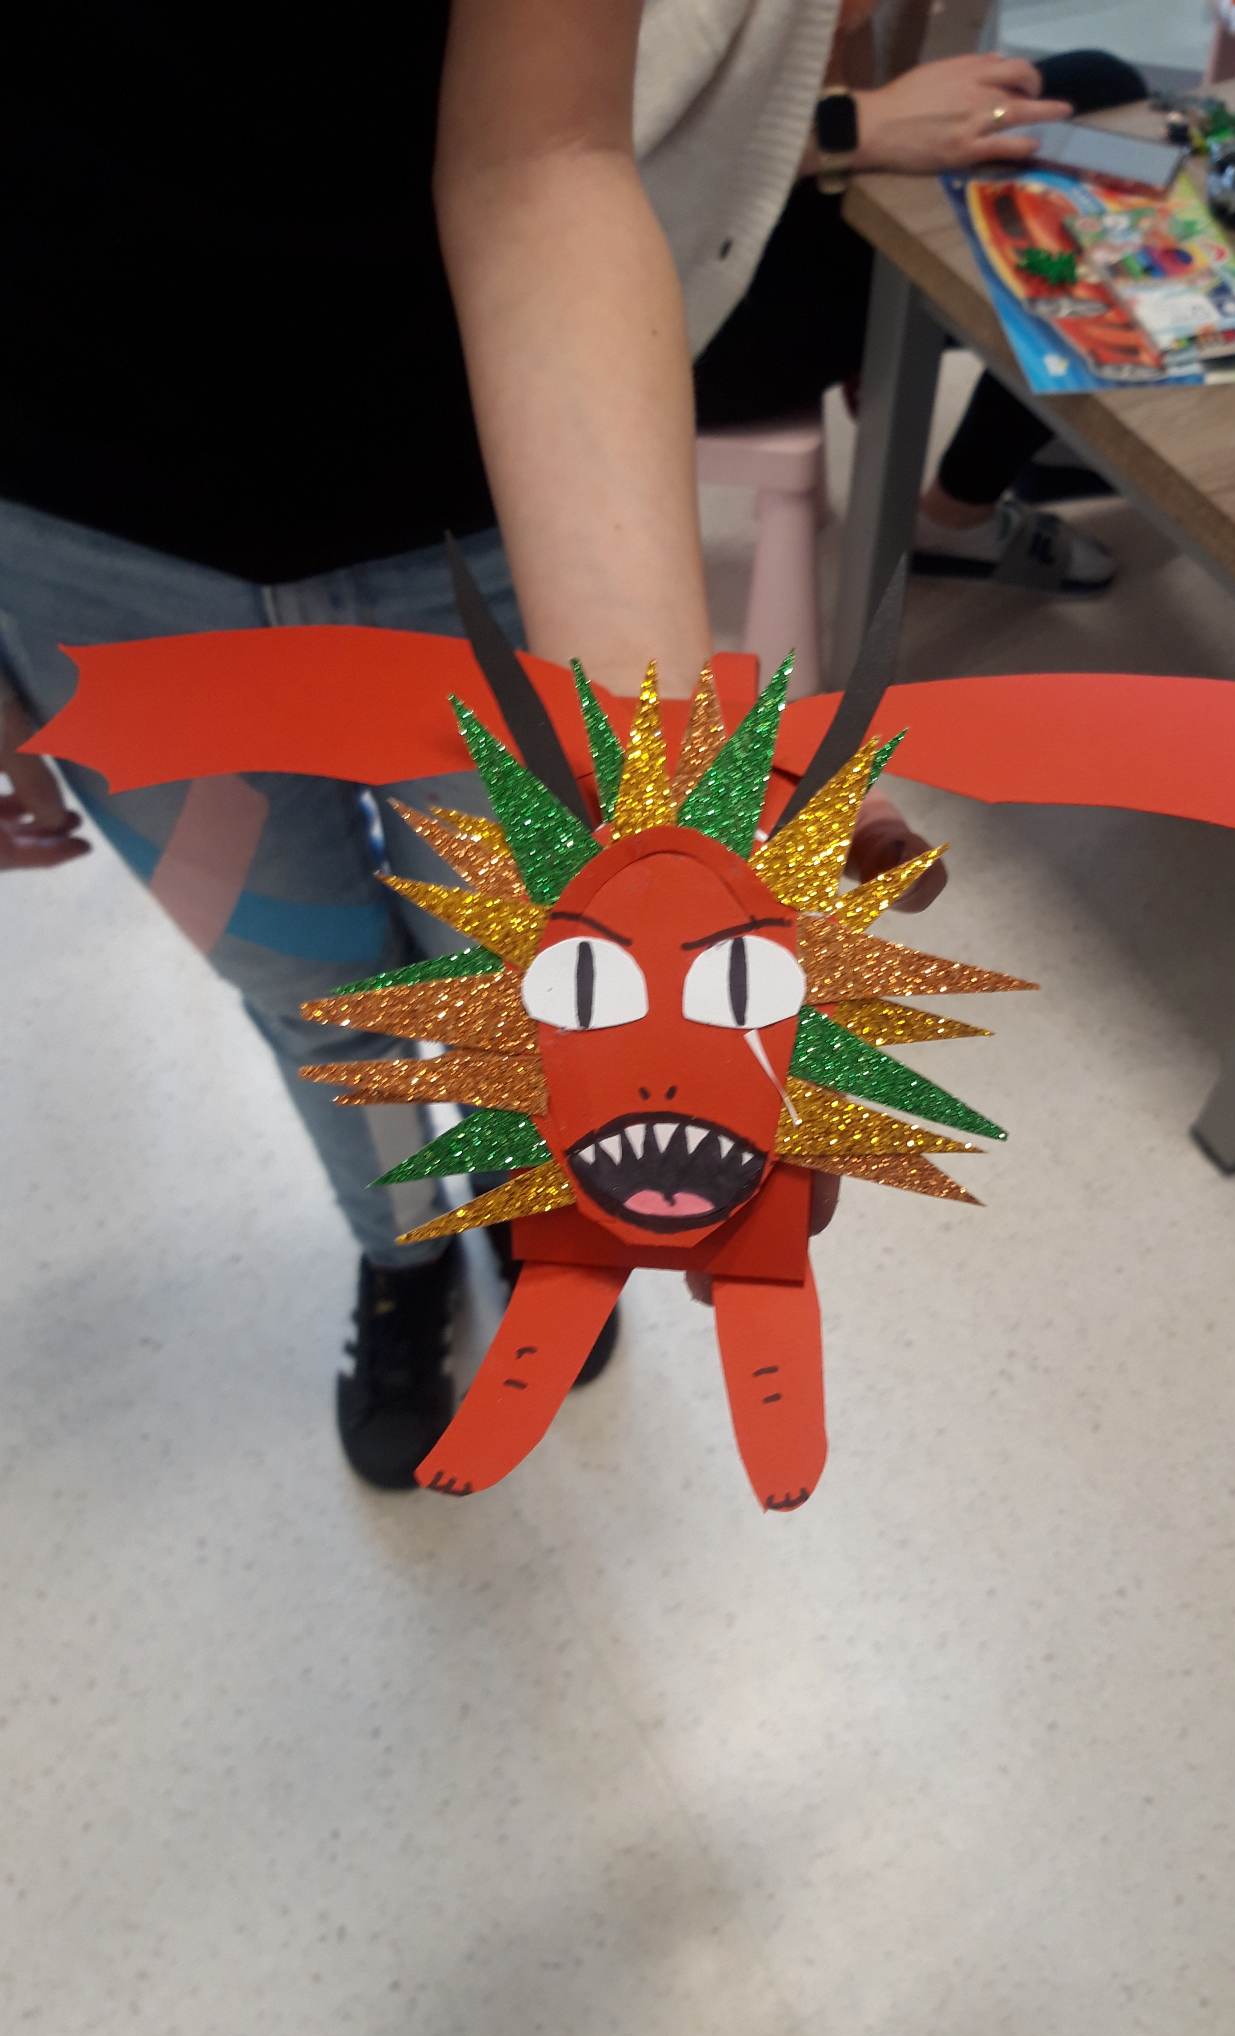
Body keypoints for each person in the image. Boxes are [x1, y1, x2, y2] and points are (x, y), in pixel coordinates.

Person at [0, 0, 917, 1490]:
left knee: (530, 975)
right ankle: (402, 1248)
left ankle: (507, 1184)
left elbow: (542, 158)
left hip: (482, 526)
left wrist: (663, 810)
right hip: (91, 572)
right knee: (316, 1000)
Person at [695, 33, 1150, 591]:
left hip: (735, 224)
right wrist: (856, 126)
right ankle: (958, 517)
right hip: (681, 324)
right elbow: (656, 154)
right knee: (1085, 170)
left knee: (1099, 95)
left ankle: (1036, 430)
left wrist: (870, 121)